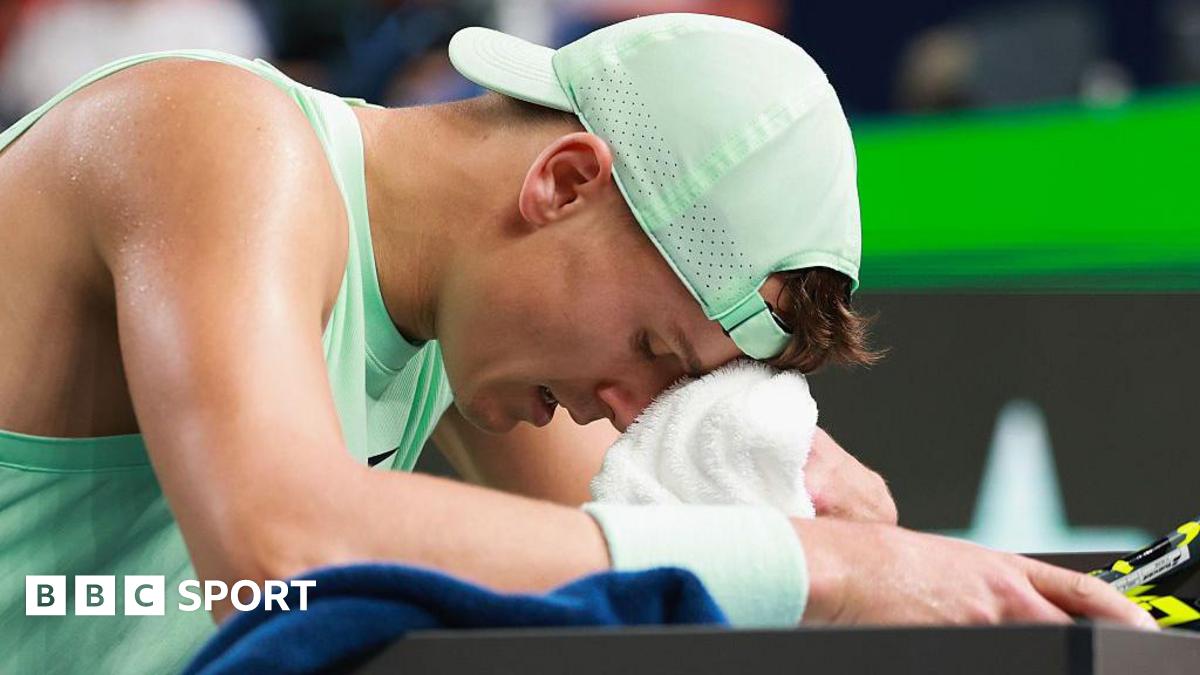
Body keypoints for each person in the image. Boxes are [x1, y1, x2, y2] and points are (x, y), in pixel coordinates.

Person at [0, 13, 1156, 675]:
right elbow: (284, 547)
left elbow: (631, 567)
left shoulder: (473, 322)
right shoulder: (211, 132)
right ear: (563, 183)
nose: (623, 408)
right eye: (654, 349)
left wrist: (820, 529)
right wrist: (832, 571)